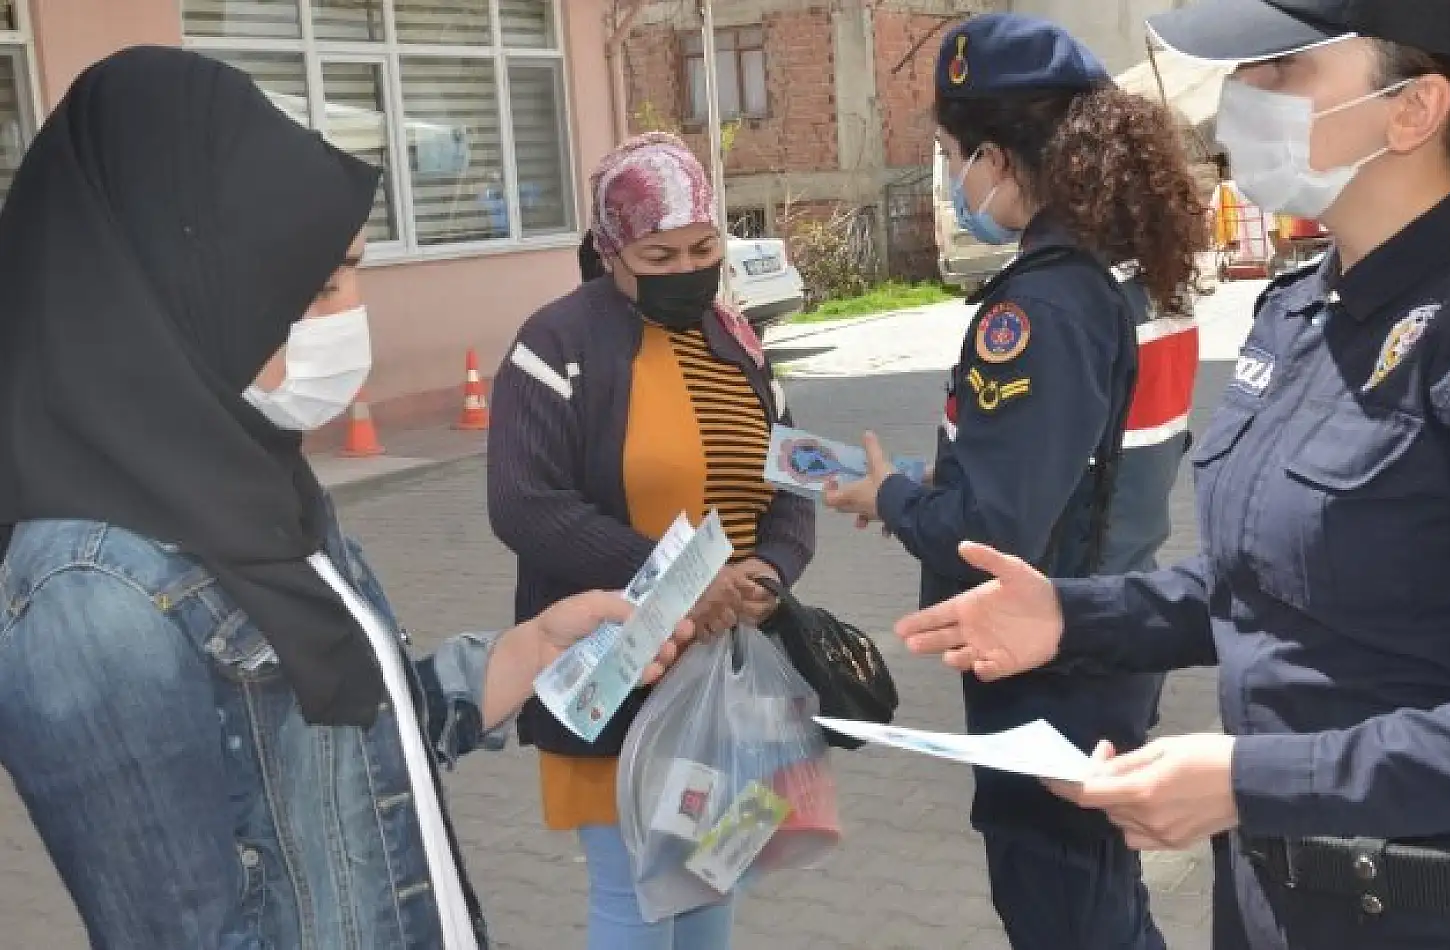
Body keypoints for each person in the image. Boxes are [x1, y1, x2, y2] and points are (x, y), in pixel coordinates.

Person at [892, 1, 1450, 948]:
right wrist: (1074, 615)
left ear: (1413, 108)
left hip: (1443, 918)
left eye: (1281, 71)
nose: (1240, 99)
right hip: (1274, 906)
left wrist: (1245, 780)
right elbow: (1268, 587)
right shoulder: (1302, 315)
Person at [0, 46, 684, 950]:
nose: (350, 314)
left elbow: (354, 744)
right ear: (171, 293)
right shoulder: (90, 594)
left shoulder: (246, 479)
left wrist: (530, 654)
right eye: (315, 286)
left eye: (354, 269)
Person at [823, 14, 1207, 950]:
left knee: (1064, 912)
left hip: (1048, 667)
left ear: (997, 156)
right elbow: (1078, 466)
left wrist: (897, 500)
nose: (956, 180)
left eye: (956, 154)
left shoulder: (1041, 305)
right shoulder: (1136, 273)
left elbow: (995, 523)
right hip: (1110, 634)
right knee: (1103, 901)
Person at [486, 133, 816, 950]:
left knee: (711, 884)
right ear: (611, 252)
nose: (686, 269)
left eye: (704, 247)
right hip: (613, 670)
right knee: (635, 899)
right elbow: (523, 504)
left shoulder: (738, 341)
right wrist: (678, 581)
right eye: (658, 253)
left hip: (732, 682)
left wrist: (767, 572)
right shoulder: (556, 344)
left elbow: (792, 483)